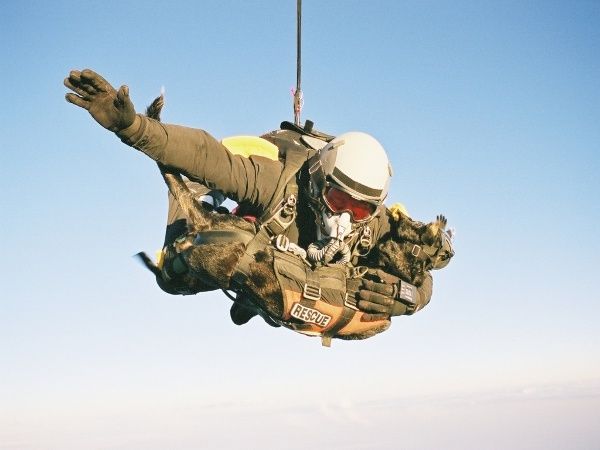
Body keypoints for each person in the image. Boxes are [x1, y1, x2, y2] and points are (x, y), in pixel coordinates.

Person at [64, 69, 441, 341]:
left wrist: (408, 296)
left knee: (386, 294)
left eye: (359, 210)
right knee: (175, 275)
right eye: (339, 200)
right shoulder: (275, 182)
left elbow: (420, 267)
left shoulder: (374, 227)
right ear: (319, 181)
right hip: (261, 238)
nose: (344, 218)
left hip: (307, 276)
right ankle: (251, 289)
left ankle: (263, 297)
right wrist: (133, 127)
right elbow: (203, 155)